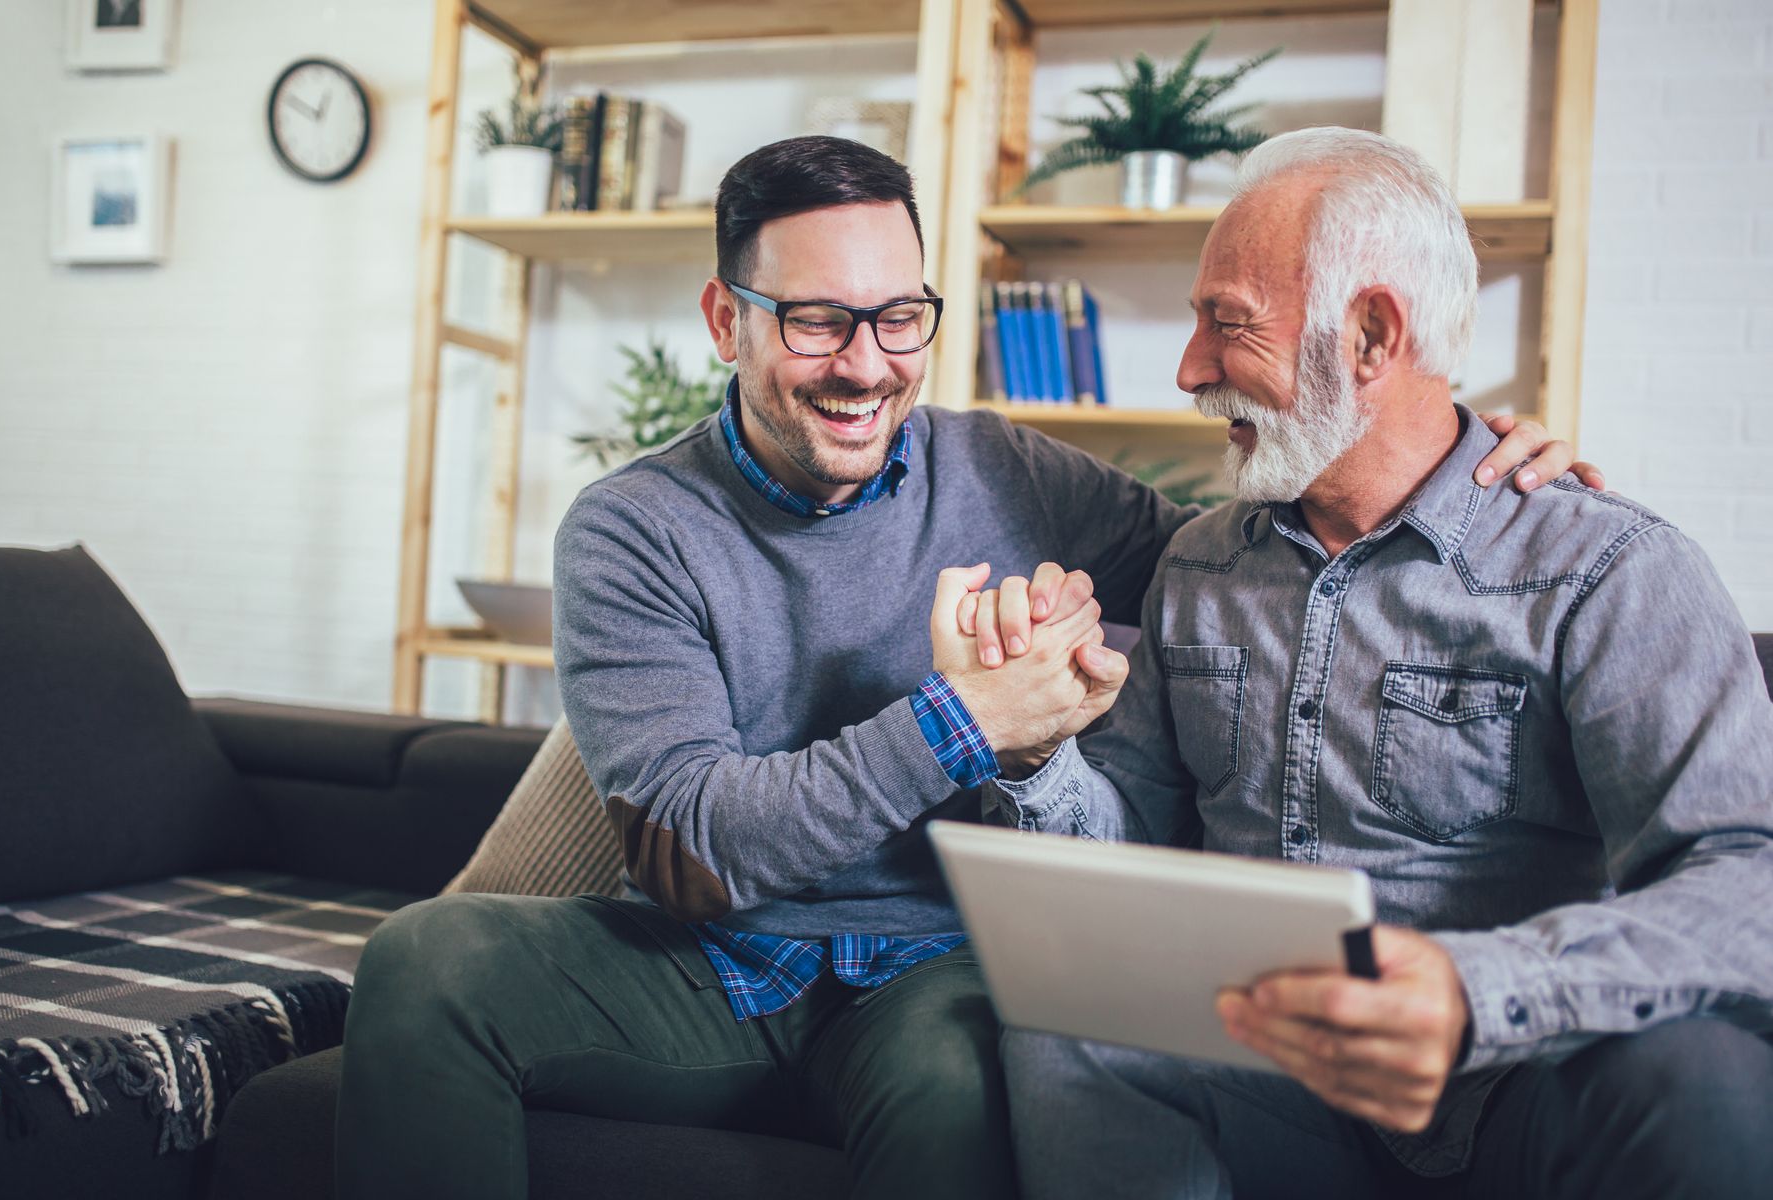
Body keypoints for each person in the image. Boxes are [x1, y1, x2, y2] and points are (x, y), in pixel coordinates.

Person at [334, 135, 1592, 1200]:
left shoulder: (1018, 474)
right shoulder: (633, 528)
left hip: (938, 966)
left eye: (900, 317)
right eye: (820, 321)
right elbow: (699, 847)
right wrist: (962, 721)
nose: (868, 364)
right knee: (424, 961)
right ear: (728, 319)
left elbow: (1260, 573)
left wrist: (1465, 464)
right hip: (708, 966)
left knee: (962, 1082)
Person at [948, 127, 1773, 1200]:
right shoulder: (1200, 563)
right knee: (1061, 1032)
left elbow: (1748, 885)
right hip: (1263, 1081)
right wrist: (1032, 751)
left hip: (1507, 1084)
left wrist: (1477, 991)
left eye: (1226, 324)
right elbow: (1133, 838)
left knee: (1699, 1078)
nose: (1191, 369)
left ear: (1374, 335)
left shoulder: (1608, 568)